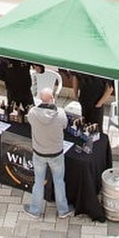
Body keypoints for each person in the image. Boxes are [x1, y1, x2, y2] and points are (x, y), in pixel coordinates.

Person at [23, 86, 71, 220]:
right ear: (52, 98)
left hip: (39, 153)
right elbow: (65, 126)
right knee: (59, 181)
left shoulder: (32, 113)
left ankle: (35, 210)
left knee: (38, 182)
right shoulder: (60, 113)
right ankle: (63, 210)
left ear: (40, 99)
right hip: (56, 153)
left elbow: (30, 122)